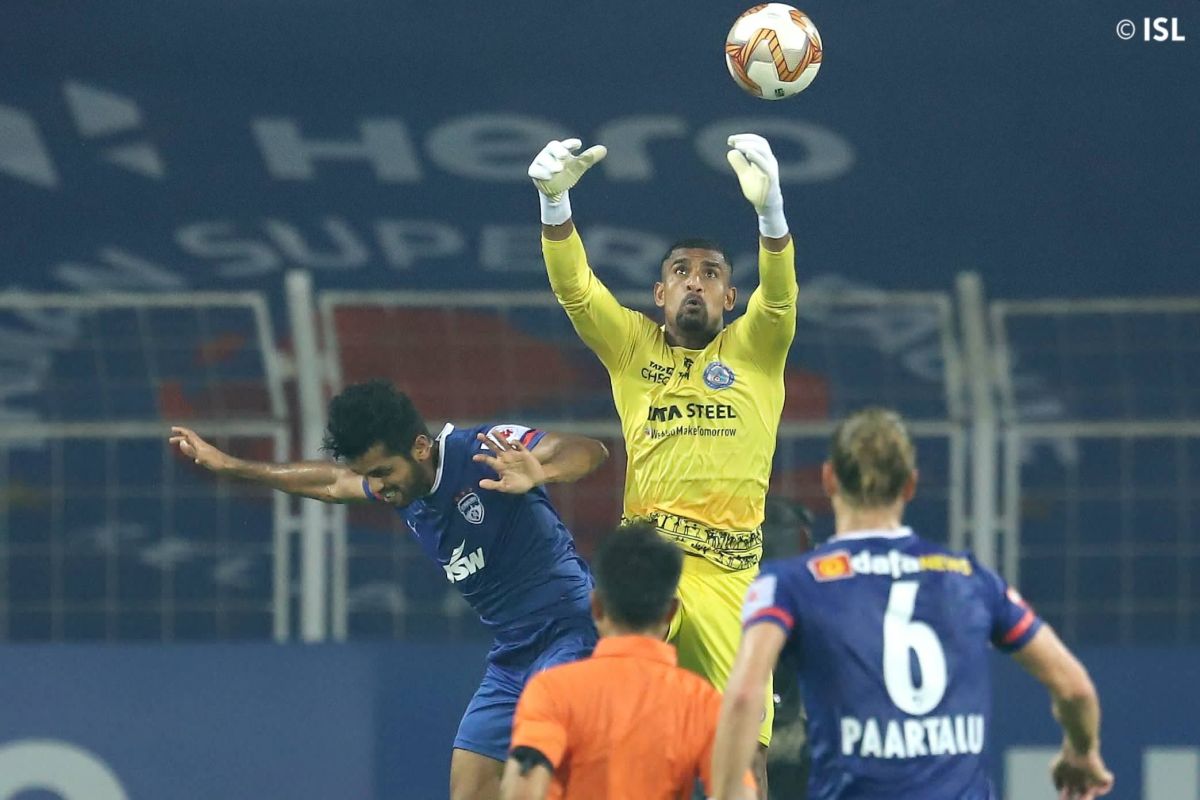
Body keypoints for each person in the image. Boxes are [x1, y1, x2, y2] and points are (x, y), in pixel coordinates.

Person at [169, 379, 610, 800]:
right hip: (514, 653)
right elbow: (330, 483)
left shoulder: (484, 449)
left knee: (543, 768)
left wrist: (540, 471)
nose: (378, 486)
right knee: (471, 785)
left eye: (382, 472)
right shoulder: (401, 488)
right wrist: (231, 466)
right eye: (368, 475)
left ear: (420, 447)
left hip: (571, 631)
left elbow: (588, 450)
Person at [528, 132, 798, 794]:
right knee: (635, 745)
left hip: (731, 579)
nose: (696, 283)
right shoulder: (632, 351)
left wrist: (772, 216)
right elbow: (577, 292)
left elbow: (782, 295)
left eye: (711, 273)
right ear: (659, 293)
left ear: (731, 298)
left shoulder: (757, 350)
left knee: (742, 758)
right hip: (652, 572)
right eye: (682, 272)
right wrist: (554, 207)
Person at [711, 408, 1115, 800]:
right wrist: (1082, 752)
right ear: (910, 485)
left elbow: (745, 697)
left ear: (829, 480)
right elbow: (1075, 688)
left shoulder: (792, 584)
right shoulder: (968, 579)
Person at [500, 522, 756, 800]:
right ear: (670, 612)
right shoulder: (703, 704)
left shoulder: (551, 691)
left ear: (596, 606)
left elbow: (522, 788)